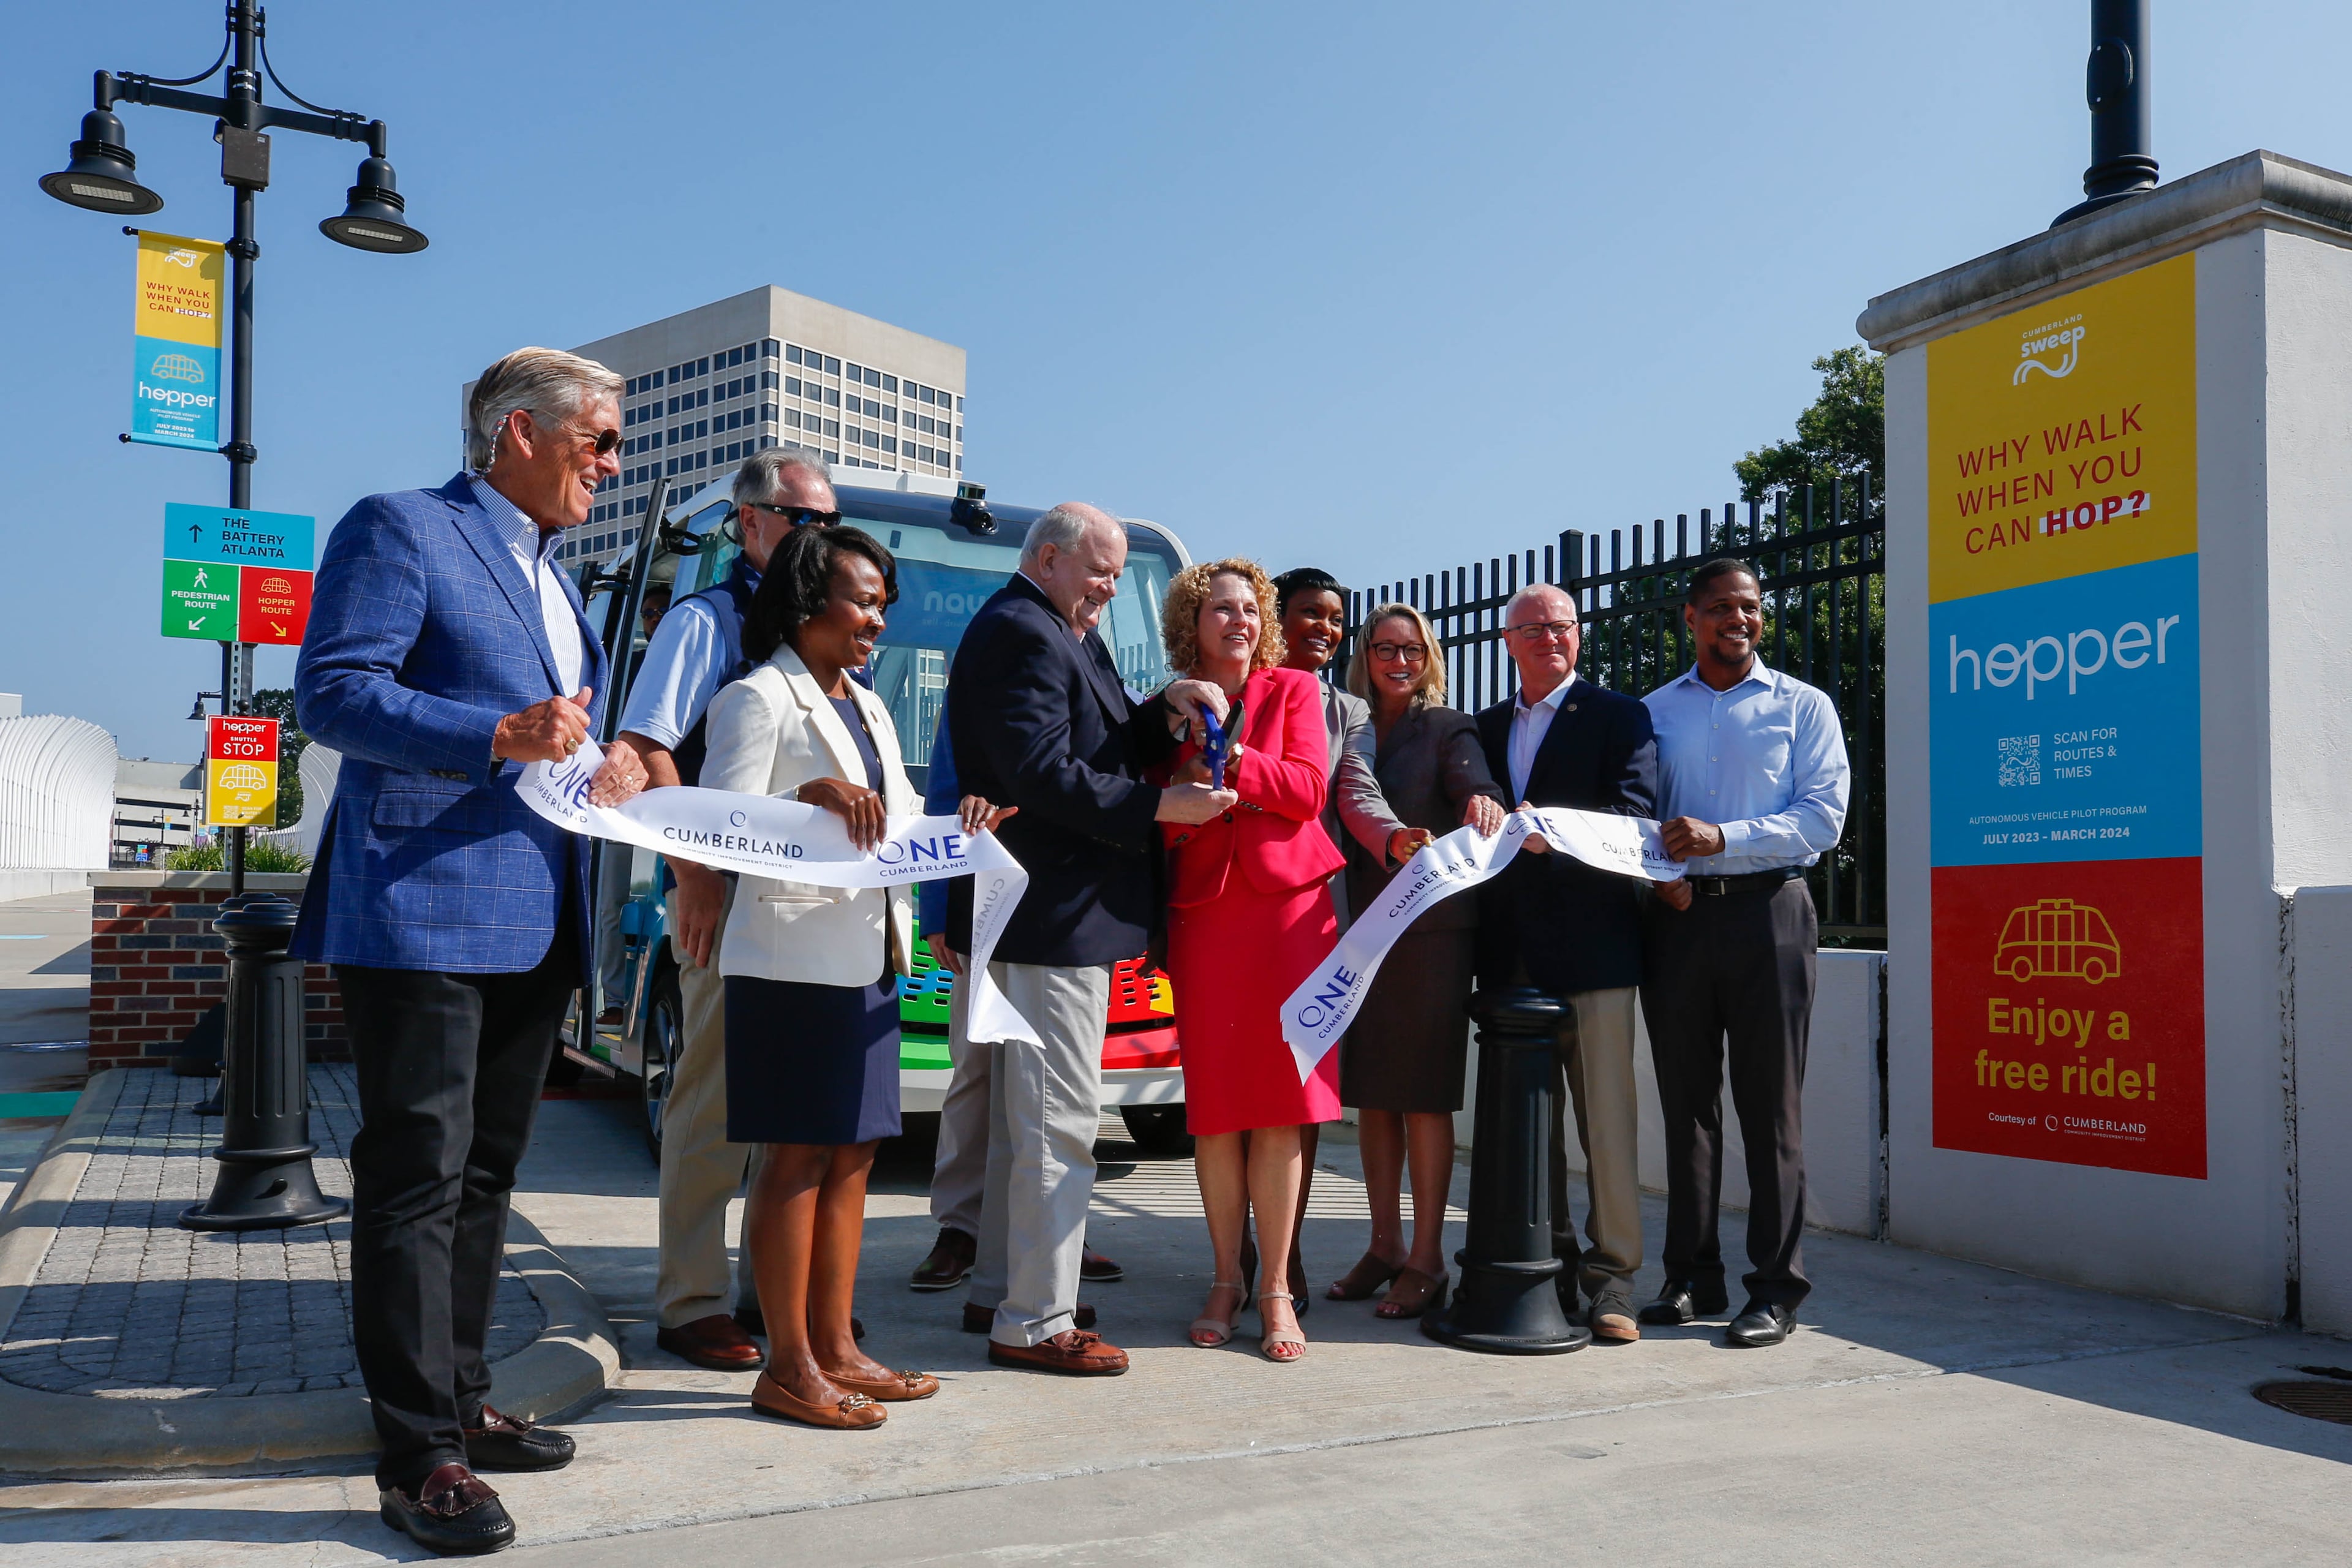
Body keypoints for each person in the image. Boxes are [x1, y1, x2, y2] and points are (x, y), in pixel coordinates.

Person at [294, 347, 646, 1555]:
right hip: (420, 904)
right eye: (600, 437)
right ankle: (418, 1455)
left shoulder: (559, 578)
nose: (614, 461)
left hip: (537, 912)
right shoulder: (400, 527)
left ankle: (460, 1395)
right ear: (519, 433)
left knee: (487, 1176)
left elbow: (563, 734)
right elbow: (333, 694)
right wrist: (495, 730)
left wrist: (614, 758)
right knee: (416, 1177)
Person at [691, 522, 1001, 1427]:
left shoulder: (868, 705)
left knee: (854, 1154)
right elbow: (718, 829)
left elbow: (892, 826)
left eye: (882, 605)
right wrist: (804, 797)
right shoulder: (756, 698)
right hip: (789, 963)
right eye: (864, 601)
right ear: (807, 602)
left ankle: (835, 1347)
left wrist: (961, 826)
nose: (877, 620)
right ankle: (787, 1366)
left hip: (868, 961)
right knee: (794, 1158)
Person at [947, 504, 1232, 1374]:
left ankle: (1005, 1289)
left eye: (1115, 572)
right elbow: (1041, 773)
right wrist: (1161, 805)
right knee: (1058, 1125)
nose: (1111, 586)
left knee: (1025, 1125)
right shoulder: (1025, 632)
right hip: (1053, 919)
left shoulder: (1057, 629)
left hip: (1047, 916)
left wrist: (1163, 709)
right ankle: (1036, 1320)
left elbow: (1097, 742)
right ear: (1049, 559)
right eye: (1100, 570)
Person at [598, 448, 842, 1374]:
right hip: (727, 894)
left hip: (807, 906)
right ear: (751, 522)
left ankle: (771, 1295)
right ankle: (693, 1300)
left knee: (790, 1112)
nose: (821, 536)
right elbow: (649, 745)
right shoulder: (707, 619)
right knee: (713, 1099)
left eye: (831, 523)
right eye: (805, 519)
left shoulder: (818, 621)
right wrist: (693, 874)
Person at [1639, 558, 1850, 1349]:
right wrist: (1657, 876)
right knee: (1686, 1109)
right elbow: (1637, 816)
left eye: (1752, 606)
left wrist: (1723, 838)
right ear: (1690, 617)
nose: (1740, 618)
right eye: (1723, 606)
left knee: (1771, 1110)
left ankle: (1776, 1287)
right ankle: (1691, 1277)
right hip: (1678, 921)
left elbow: (1823, 819)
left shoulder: (1804, 706)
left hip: (1772, 915)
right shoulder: (1654, 711)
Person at [1153, 559, 1343, 1363]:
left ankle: (1274, 1290)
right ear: (1192, 624)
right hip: (1205, 916)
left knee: (1280, 1106)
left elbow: (1307, 791)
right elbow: (1152, 813)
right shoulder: (1165, 706)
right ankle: (1225, 1279)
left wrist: (1227, 761)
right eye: (1220, 609)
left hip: (1289, 915)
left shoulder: (1293, 689)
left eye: (1248, 609)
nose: (1238, 620)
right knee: (1216, 1111)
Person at [1473, 582, 1657, 1344]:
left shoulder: (1619, 715)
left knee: (1606, 1124)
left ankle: (1614, 1281)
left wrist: (1553, 832)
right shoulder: (1484, 727)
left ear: (1578, 635)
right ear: (1507, 642)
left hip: (1595, 951)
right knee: (1530, 1129)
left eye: (1562, 625)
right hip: (1509, 955)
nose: (1550, 637)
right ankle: (1544, 1262)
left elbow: (1637, 815)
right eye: (1533, 628)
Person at [908, 706, 1125, 1302]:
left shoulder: (1100, 682)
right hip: (987, 905)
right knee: (976, 1069)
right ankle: (960, 1228)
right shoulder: (986, 678)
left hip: (1068, 915)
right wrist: (938, 908)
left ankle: (1060, 1233)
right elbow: (945, 792)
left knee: (1057, 1087)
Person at [1228, 568, 1396, 1317]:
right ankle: (1233, 1252)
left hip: (1308, 915)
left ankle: (1282, 1250)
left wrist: (1394, 838)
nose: (1325, 629)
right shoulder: (1233, 684)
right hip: (1227, 910)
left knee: (1298, 1088)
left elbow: (1353, 793)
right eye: (1308, 614)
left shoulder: (1348, 709)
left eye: (1335, 618)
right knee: (1233, 1085)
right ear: (1276, 618)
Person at [1334, 603, 1505, 1319]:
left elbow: (1477, 789)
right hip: (1363, 933)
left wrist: (1485, 803)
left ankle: (1429, 1256)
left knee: (1424, 1096)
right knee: (1374, 1094)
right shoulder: (1349, 724)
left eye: (1412, 649)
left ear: (1429, 655)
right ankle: (1386, 1245)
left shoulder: (1447, 726)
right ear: (1366, 655)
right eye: (1386, 649)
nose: (1399, 661)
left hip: (1432, 936)